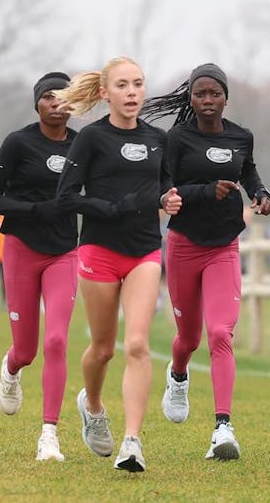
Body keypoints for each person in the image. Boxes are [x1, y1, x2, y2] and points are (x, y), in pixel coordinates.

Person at [53, 57, 181, 473]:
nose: (131, 92)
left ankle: (132, 442)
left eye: (138, 84)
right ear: (105, 92)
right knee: (103, 349)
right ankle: (91, 404)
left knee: (139, 345)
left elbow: (164, 185)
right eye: (123, 85)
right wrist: (112, 208)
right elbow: (66, 197)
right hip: (99, 251)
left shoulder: (158, 139)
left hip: (144, 251)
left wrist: (169, 198)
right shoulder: (90, 138)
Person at [142, 63, 270, 461]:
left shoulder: (241, 136)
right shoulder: (178, 138)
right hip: (184, 245)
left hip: (224, 246)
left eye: (214, 94)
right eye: (200, 94)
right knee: (189, 339)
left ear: (225, 97)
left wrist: (261, 192)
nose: (207, 100)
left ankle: (222, 427)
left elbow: (247, 170)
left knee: (220, 333)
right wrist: (203, 192)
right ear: (191, 98)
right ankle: (178, 375)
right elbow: (164, 186)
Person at [0, 71, 81, 462]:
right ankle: (11, 367)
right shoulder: (18, 143)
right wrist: (35, 209)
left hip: (63, 252)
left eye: (63, 98)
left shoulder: (83, 145)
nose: (55, 105)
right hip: (21, 247)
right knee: (28, 349)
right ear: (36, 104)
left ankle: (49, 435)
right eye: (47, 98)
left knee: (57, 340)